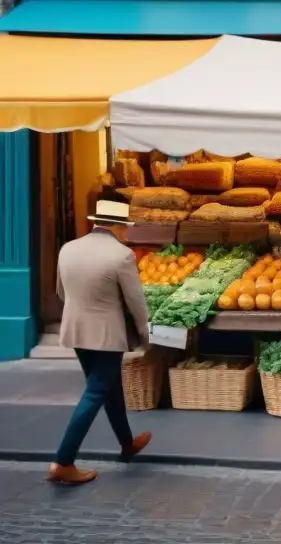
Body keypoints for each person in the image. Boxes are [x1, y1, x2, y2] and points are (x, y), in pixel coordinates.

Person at [46, 193, 153, 484]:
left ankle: (126, 443)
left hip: (76, 330)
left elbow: (61, 292)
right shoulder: (121, 255)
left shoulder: (68, 248)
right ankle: (63, 460)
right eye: (126, 227)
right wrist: (146, 336)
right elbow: (136, 303)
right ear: (119, 227)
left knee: (108, 386)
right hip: (107, 334)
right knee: (95, 392)